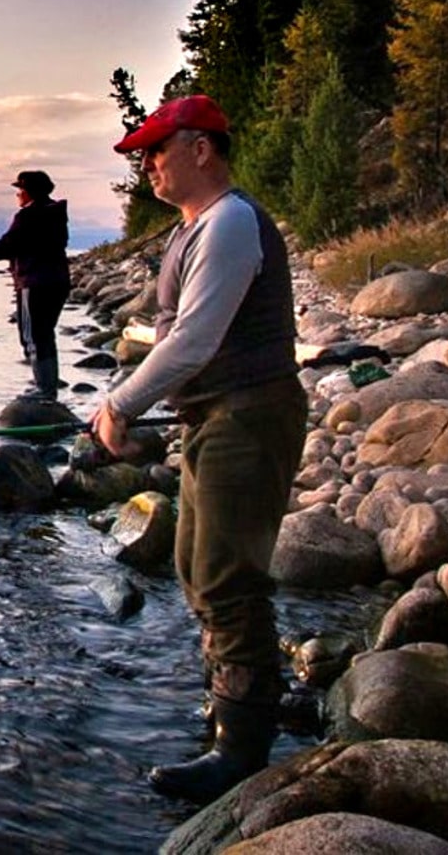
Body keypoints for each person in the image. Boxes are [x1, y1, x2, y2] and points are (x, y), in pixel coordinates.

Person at [91, 95, 306, 804]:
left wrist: (121, 403)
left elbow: (194, 338)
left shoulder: (233, 221)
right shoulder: (195, 228)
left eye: (157, 149)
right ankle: (239, 703)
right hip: (216, 417)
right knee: (193, 562)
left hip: (248, 418)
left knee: (225, 578)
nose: (146, 164)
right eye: (143, 154)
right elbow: (179, 339)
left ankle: (241, 751)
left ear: (202, 149)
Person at [0, 170, 71, 400]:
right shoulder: (56, 213)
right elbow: (26, 246)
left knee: (33, 336)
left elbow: (7, 245)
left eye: (20, 190)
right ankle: (47, 388)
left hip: (34, 284)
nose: (18, 195)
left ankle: (44, 390)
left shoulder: (28, 216)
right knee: (45, 334)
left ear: (30, 192)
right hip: (58, 282)